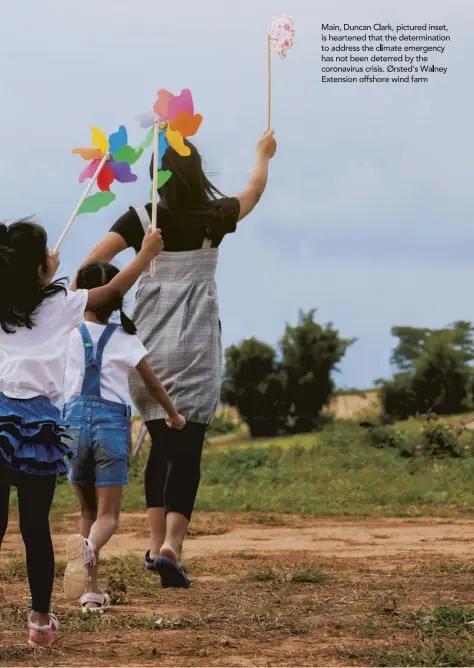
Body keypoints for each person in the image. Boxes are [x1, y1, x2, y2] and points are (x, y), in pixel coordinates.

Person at [73, 128, 277, 587]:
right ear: (197, 171)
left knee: (161, 444)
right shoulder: (215, 216)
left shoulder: (143, 219)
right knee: (189, 448)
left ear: (156, 176)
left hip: (148, 346)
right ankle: (172, 547)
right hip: (198, 345)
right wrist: (262, 154)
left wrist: (124, 274)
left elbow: (90, 268)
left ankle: (153, 545)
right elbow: (254, 191)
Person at [0, 219, 163, 645]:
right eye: (48, 255)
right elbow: (110, 292)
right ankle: (39, 621)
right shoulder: (61, 305)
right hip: (38, 426)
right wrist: (144, 254)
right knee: (35, 528)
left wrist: (42, 264)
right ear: (39, 269)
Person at [62, 261, 186, 613]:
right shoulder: (125, 338)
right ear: (118, 301)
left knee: (87, 511)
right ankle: (85, 552)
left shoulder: (67, 331)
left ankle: (91, 591)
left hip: (71, 425)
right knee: (108, 517)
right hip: (109, 425)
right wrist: (173, 415)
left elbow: (75, 297)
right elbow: (150, 381)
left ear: (82, 293)